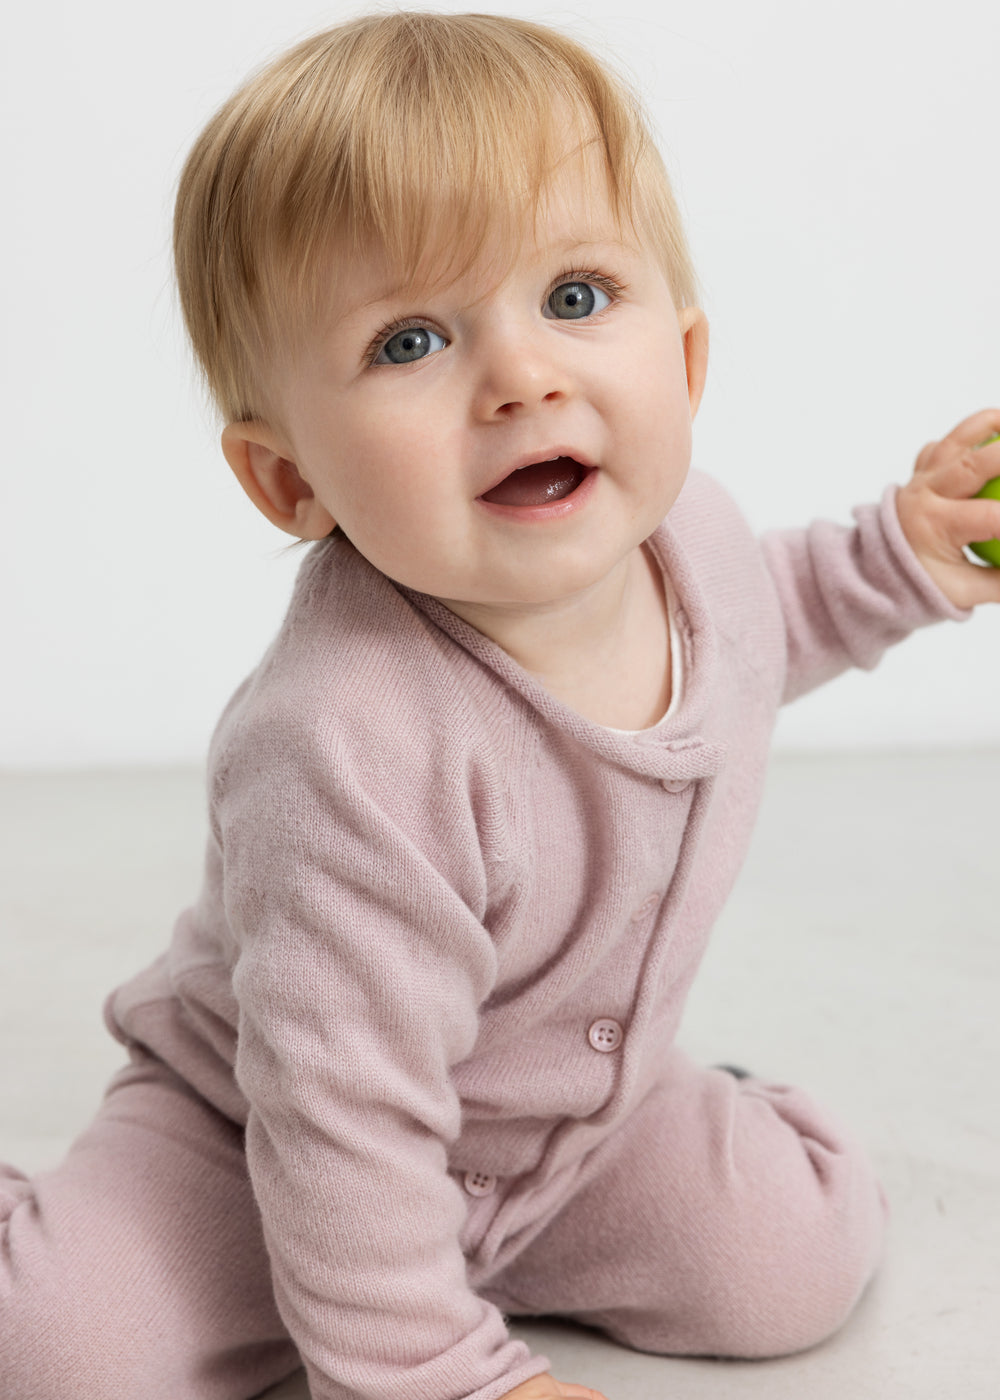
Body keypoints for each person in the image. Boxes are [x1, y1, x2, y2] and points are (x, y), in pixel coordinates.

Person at [2, 12, 998, 1400]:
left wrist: (905, 558)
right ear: (291, 482)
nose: (524, 378)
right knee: (64, 1350)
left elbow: (769, 618)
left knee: (790, 1267)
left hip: (567, 1133)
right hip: (269, 1137)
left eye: (576, 297)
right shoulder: (344, 744)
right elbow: (343, 1110)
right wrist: (436, 1371)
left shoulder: (695, 542)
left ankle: (673, 1134)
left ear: (687, 362)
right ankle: (350, 1285)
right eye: (411, 339)